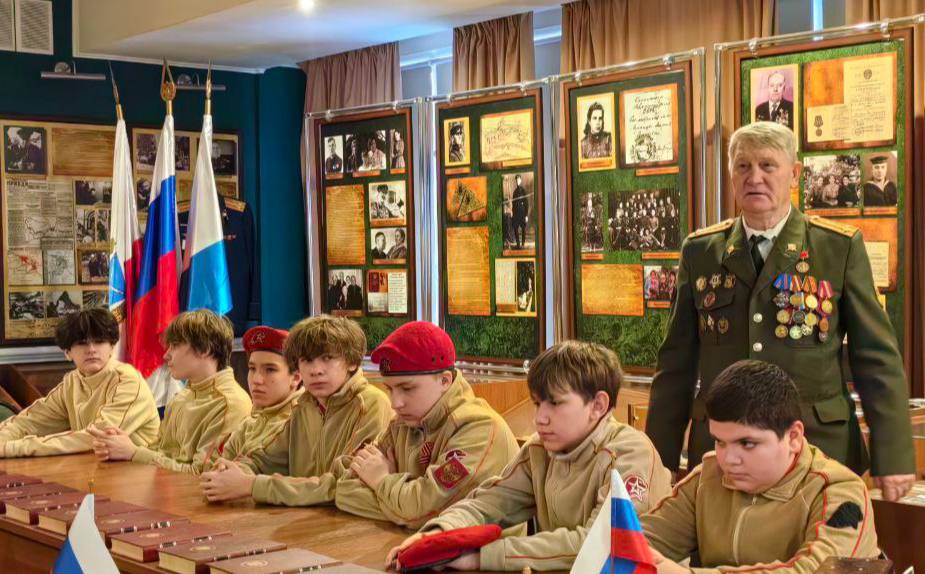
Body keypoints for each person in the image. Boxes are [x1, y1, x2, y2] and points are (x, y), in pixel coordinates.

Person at [646, 121, 914, 501]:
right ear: (731, 174)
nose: (754, 177)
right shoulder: (701, 252)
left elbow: (876, 358)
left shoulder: (837, 248)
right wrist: (659, 458)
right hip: (723, 456)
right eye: (743, 166)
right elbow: (676, 364)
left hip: (817, 452)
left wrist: (893, 455)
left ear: (795, 173)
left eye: (768, 165)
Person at [386, 340, 671, 572]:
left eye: (555, 403)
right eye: (537, 403)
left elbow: (600, 544)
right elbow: (486, 504)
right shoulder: (539, 450)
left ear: (598, 405)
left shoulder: (630, 454)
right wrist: (436, 534)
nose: (540, 418)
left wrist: (485, 556)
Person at [642, 360, 879, 572]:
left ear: (793, 437)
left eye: (747, 443)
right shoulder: (707, 477)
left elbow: (815, 571)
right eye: (720, 441)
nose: (729, 459)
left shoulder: (840, 491)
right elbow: (640, 541)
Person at [333, 322, 520, 529]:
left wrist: (382, 480)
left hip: (483, 550)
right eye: (390, 389)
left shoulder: (480, 429)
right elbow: (344, 489)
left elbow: (421, 513)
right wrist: (404, 500)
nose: (395, 403)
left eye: (407, 388)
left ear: (444, 381)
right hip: (408, 542)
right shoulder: (401, 424)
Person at [197, 315, 392, 506]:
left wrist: (253, 485)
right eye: (306, 360)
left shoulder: (371, 404)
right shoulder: (304, 406)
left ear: (352, 362)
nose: (316, 370)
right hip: (305, 517)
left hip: (350, 522)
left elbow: (344, 484)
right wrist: (229, 472)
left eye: (327, 358)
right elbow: (266, 459)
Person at [89, 310, 252, 472]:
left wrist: (133, 453)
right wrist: (121, 445)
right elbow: (160, 452)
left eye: (175, 346)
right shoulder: (182, 397)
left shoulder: (230, 405)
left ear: (205, 349)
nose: (166, 355)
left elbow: (203, 474)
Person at [0, 308, 159, 457]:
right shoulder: (72, 382)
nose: (91, 349)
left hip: (145, 469)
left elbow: (97, 437)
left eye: (99, 342)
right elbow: (29, 421)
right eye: (82, 343)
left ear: (112, 347)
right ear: (67, 352)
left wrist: (11, 448)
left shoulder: (127, 381)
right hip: (98, 467)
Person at [170, 326, 302, 476]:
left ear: (296, 378)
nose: (257, 380)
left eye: (270, 369)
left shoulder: (300, 421)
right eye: (252, 368)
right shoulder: (250, 422)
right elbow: (218, 467)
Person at [510, 175, 528, 249]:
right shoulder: (515, 192)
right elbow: (513, 203)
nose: (517, 181)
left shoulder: (523, 191)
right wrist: (512, 213)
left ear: (521, 180)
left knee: (523, 228)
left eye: (518, 180)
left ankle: (523, 243)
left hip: (522, 212)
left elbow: (526, 203)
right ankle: (518, 243)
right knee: (515, 228)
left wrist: (526, 215)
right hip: (516, 213)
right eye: (516, 180)